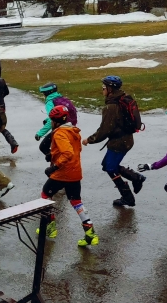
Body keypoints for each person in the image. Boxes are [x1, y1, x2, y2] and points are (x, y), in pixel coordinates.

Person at [82, 75, 145, 207]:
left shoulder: (111, 107)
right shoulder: (123, 98)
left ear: (110, 89)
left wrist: (89, 139)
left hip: (119, 143)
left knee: (110, 168)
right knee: (107, 165)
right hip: (126, 140)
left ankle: (128, 196)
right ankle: (135, 178)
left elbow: (105, 130)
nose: (102, 90)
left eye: (104, 87)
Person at [40, 105, 98, 247]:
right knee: (76, 201)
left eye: (52, 120)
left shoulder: (59, 133)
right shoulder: (73, 131)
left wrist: (55, 166)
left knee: (45, 196)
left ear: (55, 121)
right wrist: (52, 155)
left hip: (62, 173)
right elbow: (75, 149)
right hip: (75, 172)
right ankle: (90, 233)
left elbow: (68, 153)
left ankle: (51, 227)